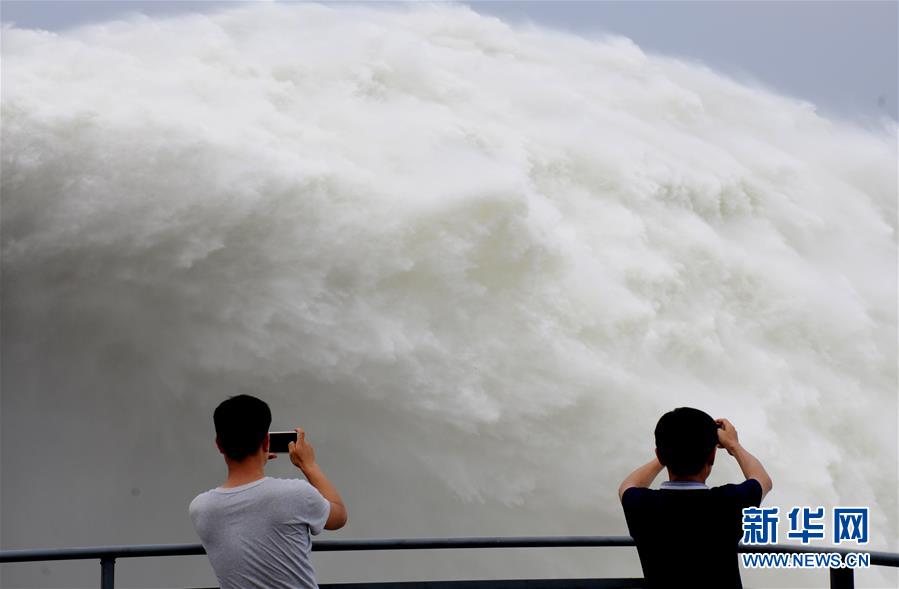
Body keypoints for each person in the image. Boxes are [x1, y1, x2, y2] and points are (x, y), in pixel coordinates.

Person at [189, 394, 348, 589]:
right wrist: (309, 465)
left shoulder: (200, 508)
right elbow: (339, 516)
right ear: (266, 442)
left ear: (219, 445)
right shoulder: (295, 494)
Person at [618, 407, 772, 589]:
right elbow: (763, 479)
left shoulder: (642, 505)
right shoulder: (729, 503)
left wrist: (668, 452)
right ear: (712, 456)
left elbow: (627, 485)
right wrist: (733, 445)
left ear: (659, 454)